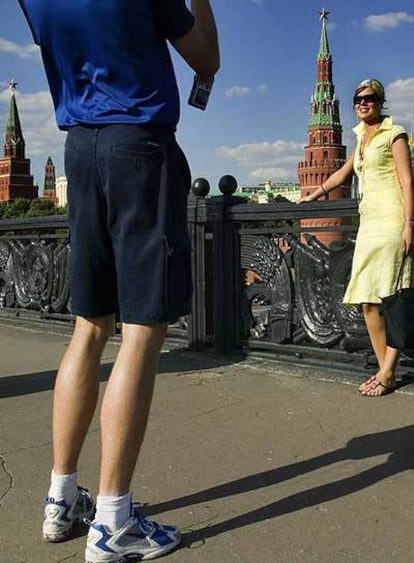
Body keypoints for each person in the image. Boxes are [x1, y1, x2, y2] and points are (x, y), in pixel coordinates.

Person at [18, 1, 219, 561]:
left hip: (79, 149)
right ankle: (113, 522)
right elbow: (207, 57)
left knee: (88, 326)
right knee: (141, 331)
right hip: (139, 148)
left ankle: (62, 499)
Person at [298, 78, 413, 397]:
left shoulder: (395, 133)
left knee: (393, 298)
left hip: (391, 221)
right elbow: (343, 173)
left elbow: (407, 181)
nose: (363, 103)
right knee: (368, 301)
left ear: (380, 102)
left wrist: (409, 223)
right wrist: (315, 194)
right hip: (368, 224)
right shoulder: (362, 137)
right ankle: (384, 370)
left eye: (370, 98)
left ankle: (387, 372)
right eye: (358, 99)